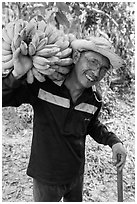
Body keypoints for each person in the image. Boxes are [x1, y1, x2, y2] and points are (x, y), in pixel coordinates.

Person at [2, 36, 127, 202]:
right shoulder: (43, 86)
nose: (96, 73)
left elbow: (92, 125)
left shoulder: (94, 100)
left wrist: (114, 141)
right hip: (46, 177)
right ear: (76, 57)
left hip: (75, 175)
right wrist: (16, 74)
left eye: (103, 69)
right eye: (93, 62)